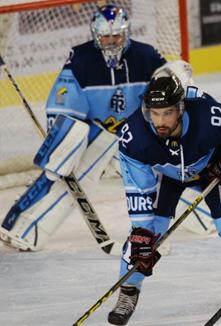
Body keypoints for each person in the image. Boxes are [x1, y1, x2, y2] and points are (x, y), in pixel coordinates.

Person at [107, 69, 221, 325]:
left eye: (168, 113)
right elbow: (139, 186)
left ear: (181, 108)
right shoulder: (134, 135)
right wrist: (142, 228)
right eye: (155, 113)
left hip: (211, 170)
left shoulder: (210, 117)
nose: (160, 121)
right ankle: (128, 292)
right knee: (142, 239)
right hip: (166, 174)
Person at [0, 4, 171, 251]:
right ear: (94, 34)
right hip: (98, 136)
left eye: (116, 36)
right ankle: (20, 227)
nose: (111, 42)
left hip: (137, 136)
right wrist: (63, 144)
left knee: (168, 171)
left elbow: (171, 92)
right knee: (64, 170)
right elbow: (64, 107)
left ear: (126, 32)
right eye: (105, 36)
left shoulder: (147, 56)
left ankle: (200, 218)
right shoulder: (81, 59)